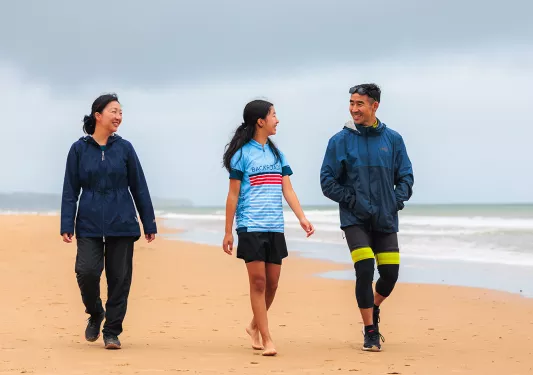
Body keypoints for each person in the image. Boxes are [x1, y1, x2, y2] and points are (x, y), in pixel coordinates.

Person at [320, 83, 414, 352]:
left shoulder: (393, 140)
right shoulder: (340, 140)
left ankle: (373, 307)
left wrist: (394, 201)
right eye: (351, 103)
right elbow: (327, 181)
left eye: (359, 104)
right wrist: (352, 201)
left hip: (385, 219)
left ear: (375, 106)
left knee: (390, 275)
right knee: (364, 269)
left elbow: (406, 176)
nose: (354, 109)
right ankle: (370, 330)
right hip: (355, 220)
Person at [60, 93, 157, 350]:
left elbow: (139, 187)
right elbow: (71, 190)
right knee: (87, 271)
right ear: (98, 115)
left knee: (119, 278)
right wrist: (66, 224)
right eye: (114, 111)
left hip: (122, 222)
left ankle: (112, 331)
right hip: (89, 222)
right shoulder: (79, 149)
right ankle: (95, 312)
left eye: (121, 112)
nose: (118, 117)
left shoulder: (125, 148)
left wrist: (149, 222)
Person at [222, 99, 315, 356]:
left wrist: (302, 218)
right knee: (259, 282)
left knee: (273, 284)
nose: (277, 119)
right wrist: (228, 231)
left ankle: (253, 326)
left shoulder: (277, 154)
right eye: (273, 115)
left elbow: (288, 189)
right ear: (260, 121)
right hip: (250, 226)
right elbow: (232, 196)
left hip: (275, 226)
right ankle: (267, 338)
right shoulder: (242, 155)